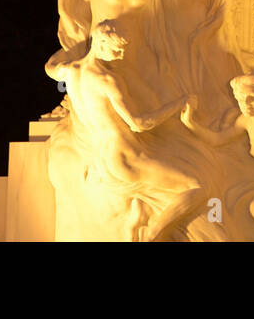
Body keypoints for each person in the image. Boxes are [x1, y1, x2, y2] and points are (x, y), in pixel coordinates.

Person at [45, 21, 202, 241]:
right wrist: (180, 103)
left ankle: (134, 227)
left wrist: (75, 44)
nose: (120, 56)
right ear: (99, 43)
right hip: (126, 158)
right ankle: (152, 235)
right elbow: (138, 123)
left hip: (102, 162)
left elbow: (50, 66)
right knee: (196, 188)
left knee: (149, 197)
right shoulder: (108, 80)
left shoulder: (69, 71)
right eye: (116, 49)